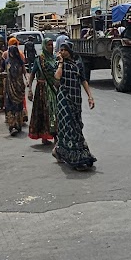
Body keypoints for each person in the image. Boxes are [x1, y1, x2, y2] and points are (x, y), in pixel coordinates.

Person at [53, 37, 96, 169]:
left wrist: (90, 97)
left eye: (64, 50)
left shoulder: (77, 64)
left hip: (76, 99)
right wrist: (61, 63)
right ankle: (74, 157)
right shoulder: (59, 63)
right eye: (61, 50)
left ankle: (59, 151)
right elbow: (57, 77)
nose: (62, 52)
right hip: (64, 99)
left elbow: (83, 81)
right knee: (69, 127)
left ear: (70, 51)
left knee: (76, 126)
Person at [28, 38, 58, 145]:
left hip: (54, 89)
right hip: (42, 90)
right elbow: (32, 74)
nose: (51, 47)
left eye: (51, 45)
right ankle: (44, 136)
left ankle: (56, 135)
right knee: (44, 112)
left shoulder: (56, 58)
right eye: (48, 45)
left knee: (55, 112)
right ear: (44, 46)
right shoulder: (39, 60)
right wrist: (30, 89)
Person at [3, 37, 27, 136]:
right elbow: (2, 71)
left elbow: (24, 72)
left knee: (18, 106)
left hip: (18, 87)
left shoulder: (19, 62)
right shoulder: (7, 62)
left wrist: (27, 82)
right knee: (10, 106)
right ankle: (12, 126)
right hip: (11, 87)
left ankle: (18, 124)